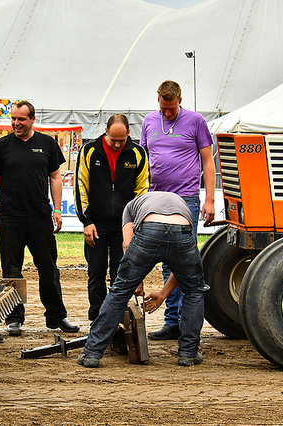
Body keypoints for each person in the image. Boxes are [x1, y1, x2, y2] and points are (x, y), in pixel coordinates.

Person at [77, 191, 209, 368]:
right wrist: (163, 294)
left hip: (149, 229)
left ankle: (92, 353)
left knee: (119, 292)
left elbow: (126, 244)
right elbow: (183, 267)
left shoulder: (130, 207)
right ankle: (188, 354)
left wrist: (135, 282)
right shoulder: (180, 203)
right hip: (181, 229)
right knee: (194, 290)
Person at [0, 100, 79, 339]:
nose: (16, 123)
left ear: (32, 120)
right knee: (11, 270)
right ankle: (14, 319)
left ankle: (57, 317)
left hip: (39, 217)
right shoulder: (1, 146)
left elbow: (56, 177)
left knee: (48, 268)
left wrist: (57, 210)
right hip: (9, 218)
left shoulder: (47, 144)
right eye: (13, 119)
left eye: (21, 119)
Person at [140, 80, 216, 341]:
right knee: (166, 258)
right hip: (157, 200)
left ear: (180, 100)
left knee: (185, 259)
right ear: (158, 101)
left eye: (171, 109)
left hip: (186, 200)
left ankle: (186, 323)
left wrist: (210, 200)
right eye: (164, 108)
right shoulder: (149, 121)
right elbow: (144, 160)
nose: (168, 113)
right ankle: (171, 321)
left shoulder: (195, 121)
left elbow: (207, 161)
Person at [74, 114, 149, 322]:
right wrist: (86, 221)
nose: (117, 145)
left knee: (121, 273)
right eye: (113, 140)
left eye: (121, 140)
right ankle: (96, 319)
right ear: (105, 132)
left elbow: (142, 190)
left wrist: (134, 223)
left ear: (128, 134)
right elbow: (81, 185)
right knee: (96, 273)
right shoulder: (89, 151)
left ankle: (117, 317)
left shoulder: (138, 154)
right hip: (96, 223)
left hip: (124, 225)